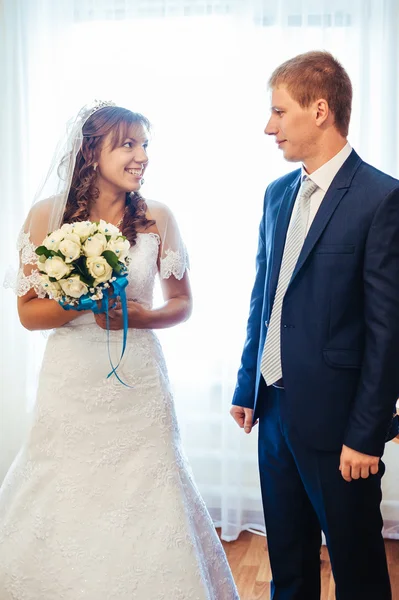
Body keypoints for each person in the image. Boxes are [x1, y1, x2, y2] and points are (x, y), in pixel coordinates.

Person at [0, 102, 239, 599]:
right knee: (64, 484)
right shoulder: (46, 216)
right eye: (128, 145)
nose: (141, 157)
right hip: (71, 378)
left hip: (139, 378)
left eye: (145, 145)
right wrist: (81, 299)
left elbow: (182, 302)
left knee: (151, 488)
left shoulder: (158, 218)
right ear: (92, 152)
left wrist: (140, 316)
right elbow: (27, 313)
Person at [230, 51, 399, 600]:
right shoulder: (278, 195)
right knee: (289, 566)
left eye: (279, 112)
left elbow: (387, 330)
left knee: (359, 573)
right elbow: (265, 298)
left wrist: (366, 433)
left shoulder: (382, 198)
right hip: (274, 412)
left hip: (341, 427)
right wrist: (246, 385)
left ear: (320, 110)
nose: (268, 126)